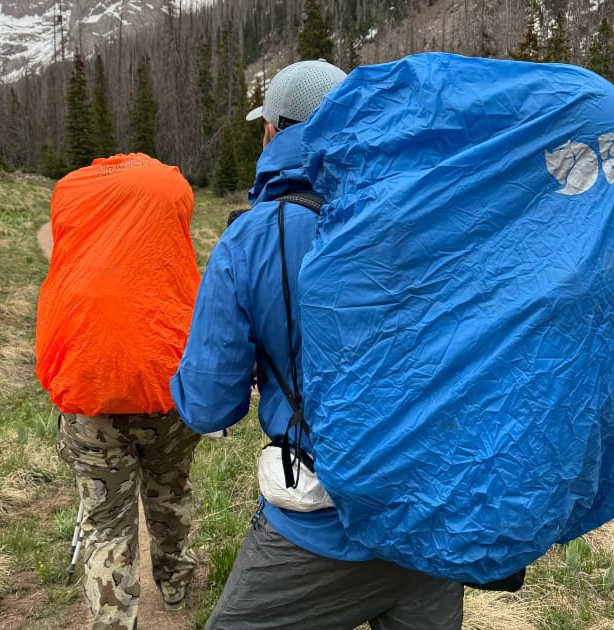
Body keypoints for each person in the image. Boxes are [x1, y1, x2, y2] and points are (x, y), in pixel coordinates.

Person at [170, 60, 464, 629]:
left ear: (275, 131)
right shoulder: (424, 212)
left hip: (321, 529)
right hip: (429, 511)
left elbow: (208, 405)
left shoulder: (252, 237)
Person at [35, 153, 202, 630]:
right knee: (170, 490)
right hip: (165, 386)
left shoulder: (70, 194)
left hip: (91, 396)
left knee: (106, 520)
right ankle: (175, 583)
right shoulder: (172, 191)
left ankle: (113, 619)